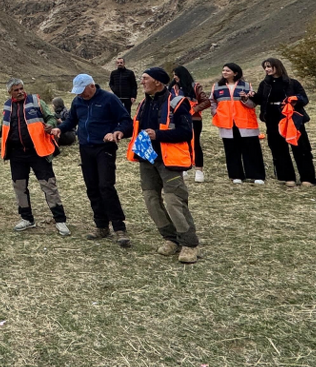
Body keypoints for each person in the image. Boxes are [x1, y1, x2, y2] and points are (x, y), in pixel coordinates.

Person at [121, 67, 200, 263]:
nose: (141, 82)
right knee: (151, 200)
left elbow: (186, 132)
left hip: (170, 160)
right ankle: (170, 238)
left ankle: (189, 243)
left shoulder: (177, 103)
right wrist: (119, 132)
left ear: (157, 82)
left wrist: (159, 135)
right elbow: (135, 127)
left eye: (145, 78)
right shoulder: (142, 104)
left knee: (175, 201)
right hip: (147, 159)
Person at [53, 74, 133, 247]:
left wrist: (117, 132)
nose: (81, 95)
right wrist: (59, 129)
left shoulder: (109, 99)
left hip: (105, 147)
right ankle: (101, 226)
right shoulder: (78, 102)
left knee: (106, 186)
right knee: (92, 187)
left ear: (91, 86)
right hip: (85, 149)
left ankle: (119, 227)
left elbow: (127, 121)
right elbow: (72, 121)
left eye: (82, 91)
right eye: (78, 92)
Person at [2, 79, 69, 236]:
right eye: (16, 90)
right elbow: (4, 126)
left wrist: (51, 125)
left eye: (21, 88)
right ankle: (27, 218)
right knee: (19, 186)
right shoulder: (7, 106)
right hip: (17, 154)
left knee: (49, 185)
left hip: (38, 151)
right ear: (10, 92)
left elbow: (51, 117)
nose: (20, 91)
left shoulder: (36, 101)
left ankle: (60, 221)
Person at [255, 57, 316, 187]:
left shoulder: (292, 83)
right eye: (265, 67)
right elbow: (259, 99)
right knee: (278, 148)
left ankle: (308, 178)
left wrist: (295, 100)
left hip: (291, 118)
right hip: (272, 118)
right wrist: (250, 96)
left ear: (277, 66)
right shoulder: (264, 84)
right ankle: (287, 177)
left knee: (300, 147)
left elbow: (304, 98)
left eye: (269, 66)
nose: (266, 69)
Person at [210, 62, 265, 184]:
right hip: (226, 123)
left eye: (227, 71)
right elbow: (212, 101)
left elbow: (253, 104)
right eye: (223, 70)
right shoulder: (217, 86)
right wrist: (215, 113)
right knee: (231, 149)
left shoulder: (246, 86)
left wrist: (245, 99)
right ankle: (236, 175)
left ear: (235, 73)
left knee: (251, 149)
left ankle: (256, 175)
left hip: (245, 122)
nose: (224, 72)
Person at [171, 66, 211, 183]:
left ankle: (199, 170)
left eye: (176, 75)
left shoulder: (195, 86)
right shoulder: (172, 88)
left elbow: (206, 101)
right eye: (173, 75)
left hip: (194, 120)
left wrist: (194, 109)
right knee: (181, 143)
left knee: (195, 144)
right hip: (178, 120)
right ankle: (184, 167)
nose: (175, 77)